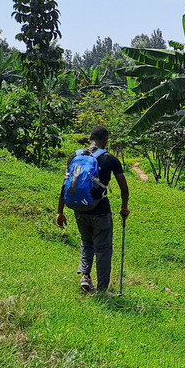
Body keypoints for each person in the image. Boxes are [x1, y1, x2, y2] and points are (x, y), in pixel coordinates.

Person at [56, 125, 130, 294]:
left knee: (86, 243)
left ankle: (85, 277)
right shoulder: (110, 159)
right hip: (101, 210)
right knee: (103, 249)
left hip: (79, 209)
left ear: (91, 139)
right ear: (105, 140)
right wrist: (124, 206)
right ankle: (102, 290)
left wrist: (60, 212)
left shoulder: (75, 156)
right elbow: (124, 188)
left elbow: (65, 185)